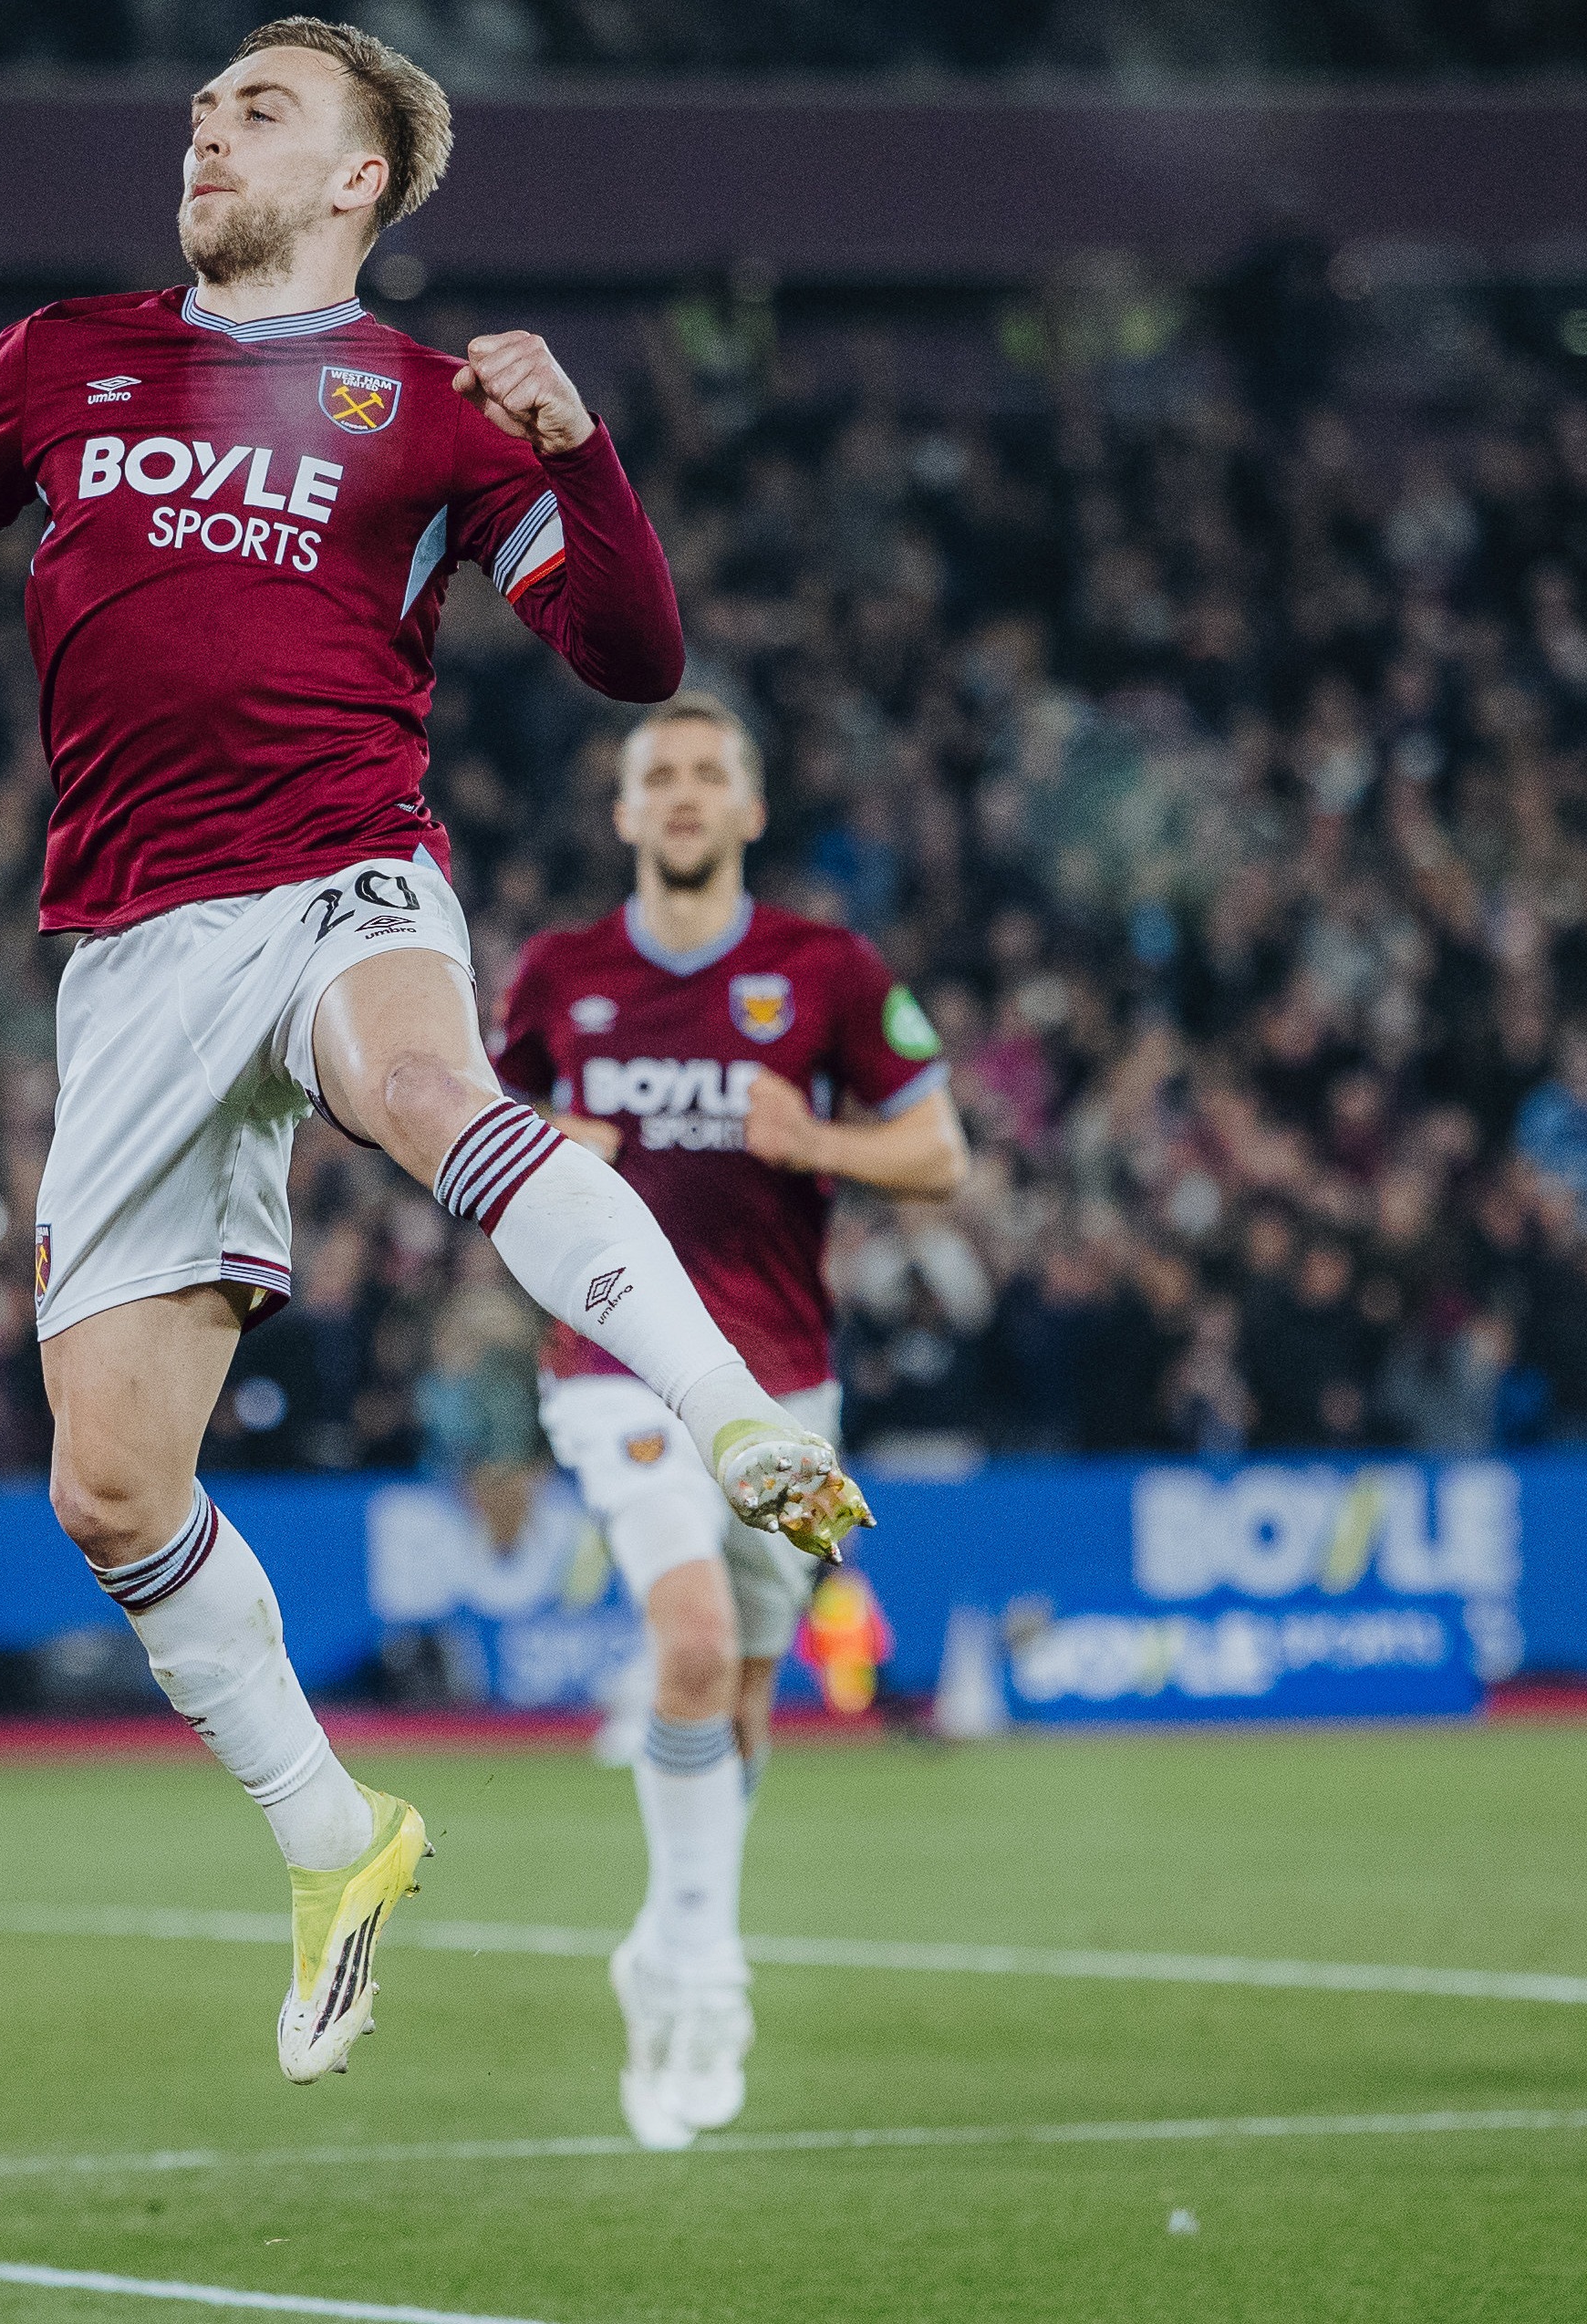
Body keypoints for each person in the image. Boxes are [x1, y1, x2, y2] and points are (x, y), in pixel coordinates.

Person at [0, 16, 870, 2086]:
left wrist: (579, 450)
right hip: (127, 952)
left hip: (338, 867)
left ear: (356, 179)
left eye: (261, 109)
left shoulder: (434, 407)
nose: (208, 129)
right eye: (205, 105)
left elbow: (627, 656)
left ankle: (732, 1415)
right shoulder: (66, 357)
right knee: (108, 1488)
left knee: (426, 1091)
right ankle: (332, 1837)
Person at [489, 695, 965, 2149]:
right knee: (688, 1642)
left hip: (781, 1385)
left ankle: (669, 1937)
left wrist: (814, 1137)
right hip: (612, 1369)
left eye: (710, 773)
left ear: (750, 808)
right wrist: (528, 1146)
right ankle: (704, 1973)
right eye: (661, 775)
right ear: (623, 811)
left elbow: (938, 1151)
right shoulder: (558, 975)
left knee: (745, 1690)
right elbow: (456, 1140)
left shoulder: (826, 969)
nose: (685, 794)